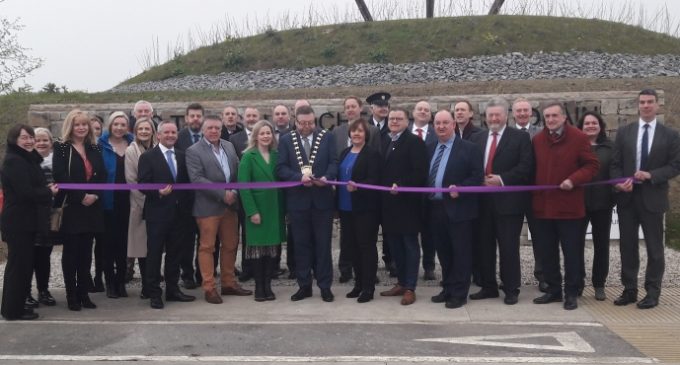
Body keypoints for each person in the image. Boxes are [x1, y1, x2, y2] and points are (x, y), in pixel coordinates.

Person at [611, 89, 680, 309]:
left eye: (650, 102)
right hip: (628, 199)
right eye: (642, 102)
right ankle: (630, 289)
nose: (646, 105)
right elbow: (615, 164)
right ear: (638, 106)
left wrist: (651, 175)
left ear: (657, 105)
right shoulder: (625, 133)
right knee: (627, 246)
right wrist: (618, 182)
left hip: (653, 197)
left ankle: (652, 292)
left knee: (654, 248)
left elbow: (675, 165)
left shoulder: (670, 135)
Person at [532, 102, 599, 311]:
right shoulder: (538, 140)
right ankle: (553, 290)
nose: (550, 120)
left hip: (569, 207)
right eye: (547, 117)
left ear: (563, 117)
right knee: (546, 251)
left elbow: (592, 165)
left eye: (554, 116)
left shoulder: (578, 138)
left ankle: (571, 292)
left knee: (571, 253)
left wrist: (573, 179)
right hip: (544, 207)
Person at [469, 97, 534, 305]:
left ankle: (511, 288)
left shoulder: (520, 138)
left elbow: (526, 167)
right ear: (485, 118)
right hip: (482, 202)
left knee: (508, 247)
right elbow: (471, 166)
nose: (494, 118)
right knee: (484, 247)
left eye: (498, 114)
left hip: (509, 203)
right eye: (490, 115)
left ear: (506, 116)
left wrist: (501, 179)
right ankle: (488, 286)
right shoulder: (477, 138)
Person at [186, 116, 252, 304]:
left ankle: (229, 283)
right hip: (208, 207)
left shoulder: (228, 146)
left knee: (231, 245)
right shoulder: (194, 151)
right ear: (203, 130)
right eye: (210, 128)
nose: (214, 131)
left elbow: (237, 171)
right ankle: (209, 287)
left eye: (217, 128)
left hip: (230, 206)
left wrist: (234, 192)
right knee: (207, 247)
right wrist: (222, 194)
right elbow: (197, 179)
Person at [276, 105, 337, 302]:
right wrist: (297, 176)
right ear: (296, 121)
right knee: (301, 245)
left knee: (323, 245)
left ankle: (325, 285)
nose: (306, 127)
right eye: (303, 123)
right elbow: (281, 169)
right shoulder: (286, 140)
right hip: (298, 202)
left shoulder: (327, 137)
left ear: (315, 120)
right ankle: (304, 285)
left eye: (310, 123)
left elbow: (334, 163)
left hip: (322, 201)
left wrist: (326, 177)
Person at [1, 124, 58, 320]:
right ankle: (12, 311)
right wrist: (48, 192)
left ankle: (14, 306)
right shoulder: (14, 161)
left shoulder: (28, 159)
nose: (29, 141)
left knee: (23, 266)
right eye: (24, 137)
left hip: (28, 221)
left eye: (30, 137)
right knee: (18, 267)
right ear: (14, 139)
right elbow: (25, 193)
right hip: (19, 221)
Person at [138, 121, 196, 309]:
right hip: (157, 214)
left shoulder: (181, 155)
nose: (171, 135)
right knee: (154, 255)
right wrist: (158, 193)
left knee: (175, 254)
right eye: (167, 132)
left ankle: (173, 290)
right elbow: (142, 184)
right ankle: (154, 292)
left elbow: (186, 185)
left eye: (174, 132)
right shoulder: (148, 157)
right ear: (159, 135)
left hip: (179, 215)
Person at [53, 109, 107, 311]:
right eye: (78, 124)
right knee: (71, 254)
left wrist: (95, 195)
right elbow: (60, 175)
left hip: (92, 207)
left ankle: (84, 293)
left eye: (85, 124)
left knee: (86, 253)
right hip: (72, 206)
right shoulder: (61, 147)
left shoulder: (95, 147)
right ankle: (71, 295)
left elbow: (102, 174)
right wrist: (81, 196)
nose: (82, 127)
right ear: (70, 126)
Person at [379, 107, 428, 306]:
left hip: (407, 204)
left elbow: (420, 172)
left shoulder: (415, 142)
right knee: (394, 245)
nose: (395, 122)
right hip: (388, 205)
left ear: (407, 121)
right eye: (391, 119)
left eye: (399, 119)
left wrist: (402, 185)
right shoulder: (384, 140)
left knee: (409, 245)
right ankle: (400, 281)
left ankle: (410, 287)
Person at [333, 96, 381, 283]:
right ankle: (356, 280)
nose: (356, 134)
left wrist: (359, 187)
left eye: (360, 132)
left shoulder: (372, 153)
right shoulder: (345, 152)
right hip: (345, 205)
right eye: (353, 132)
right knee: (349, 243)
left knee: (366, 245)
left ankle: (367, 283)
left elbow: (375, 177)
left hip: (364, 206)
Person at [238, 120, 286, 301]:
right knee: (258, 250)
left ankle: (268, 285)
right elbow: (243, 187)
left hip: (274, 209)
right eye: (262, 133)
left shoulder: (277, 155)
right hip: (258, 210)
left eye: (269, 133)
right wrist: (252, 211)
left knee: (272, 250)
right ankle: (259, 287)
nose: (266, 136)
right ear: (255, 136)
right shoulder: (248, 157)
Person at [577, 111, 615, 301]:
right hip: (578, 203)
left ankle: (599, 284)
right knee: (576, 245)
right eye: (586, 123)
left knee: (602, 245)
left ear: (600, 126)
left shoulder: (610, 148)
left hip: (603, 204)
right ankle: (578, 283)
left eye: (594, 123)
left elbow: (616, 173)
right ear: (581, 126)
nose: (590, 126)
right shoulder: (575, 147)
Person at [98, 112, 134, 299]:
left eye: (123, 124)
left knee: (123, 245)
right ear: (110, 125)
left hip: (128, 202)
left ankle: (121, 282)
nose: (119, 128)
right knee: (107, 245)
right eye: (116, 124)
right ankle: (110, 283)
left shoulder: (133, 144)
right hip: (107, 202)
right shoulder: (100, 145)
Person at [512, 97, 546, 293]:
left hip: (536, 193)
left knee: (540, 237)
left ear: (531, 113)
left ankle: (542, 276)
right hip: (513, 194)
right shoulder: (506, 134)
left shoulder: (541, 134)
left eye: (526, 110)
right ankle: (511, 278)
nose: (523, 114)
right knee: (510, 239)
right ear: (513, 113)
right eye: (519, 111)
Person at [124, 117, 157, 299]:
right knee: (142, 248)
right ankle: (146, 285)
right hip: (141, 205)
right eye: (140, 128)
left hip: (160, 205)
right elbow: (132, 181)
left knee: (155, 247)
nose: (144, 131)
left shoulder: (158, 148)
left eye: (147, 128)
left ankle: (153, 282)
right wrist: (148, 202)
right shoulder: (131, 150)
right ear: (135, 131)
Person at [174, 103, 205, 290]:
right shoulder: (178, 137)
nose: (195, 119)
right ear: (186, 118)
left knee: (207, 238)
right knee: (186, 239)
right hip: (185, 198)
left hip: (207, 196)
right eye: (192, 116)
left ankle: (204, 273)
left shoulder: (209, 135)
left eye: (198, 116)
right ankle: (187, 274)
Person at [26, 128, 58, 307]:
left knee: (44, 255)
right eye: (37, 140)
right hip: (31, 215)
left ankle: (44, 290)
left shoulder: (57, 163)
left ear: (50, 142)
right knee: (29, 256)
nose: (41, 143)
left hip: (49, 215)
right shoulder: (25, 163)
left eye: (45, 140)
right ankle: (26, 292)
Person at [229, 106, 260, 282]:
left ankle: (262, 266)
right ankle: (247, 267)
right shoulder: (234, 139)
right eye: (248, 116)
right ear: (243, 118)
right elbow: (233, 166)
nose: (251, 118)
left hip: (261, 192)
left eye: (254, 115)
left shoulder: (265, 136)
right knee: (245, 232)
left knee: (258, 231)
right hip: (243, 194)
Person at [410, 100, 437, 281]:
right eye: (420, 109)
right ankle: (406, 267)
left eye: (426, 110)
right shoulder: (403, 133)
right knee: (408, 231)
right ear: (413, 112)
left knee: (429, 232)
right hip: (408, 192)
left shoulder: (436, 135)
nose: (423, 112)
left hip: (429, 191)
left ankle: (429, 266)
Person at [89, 114, 105, 291]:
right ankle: (85, 278)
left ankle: (99, 276)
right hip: (81, 202)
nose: (94, 132)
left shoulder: (102, 149)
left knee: (101, 245)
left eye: (98, 129)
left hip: (100, 201)